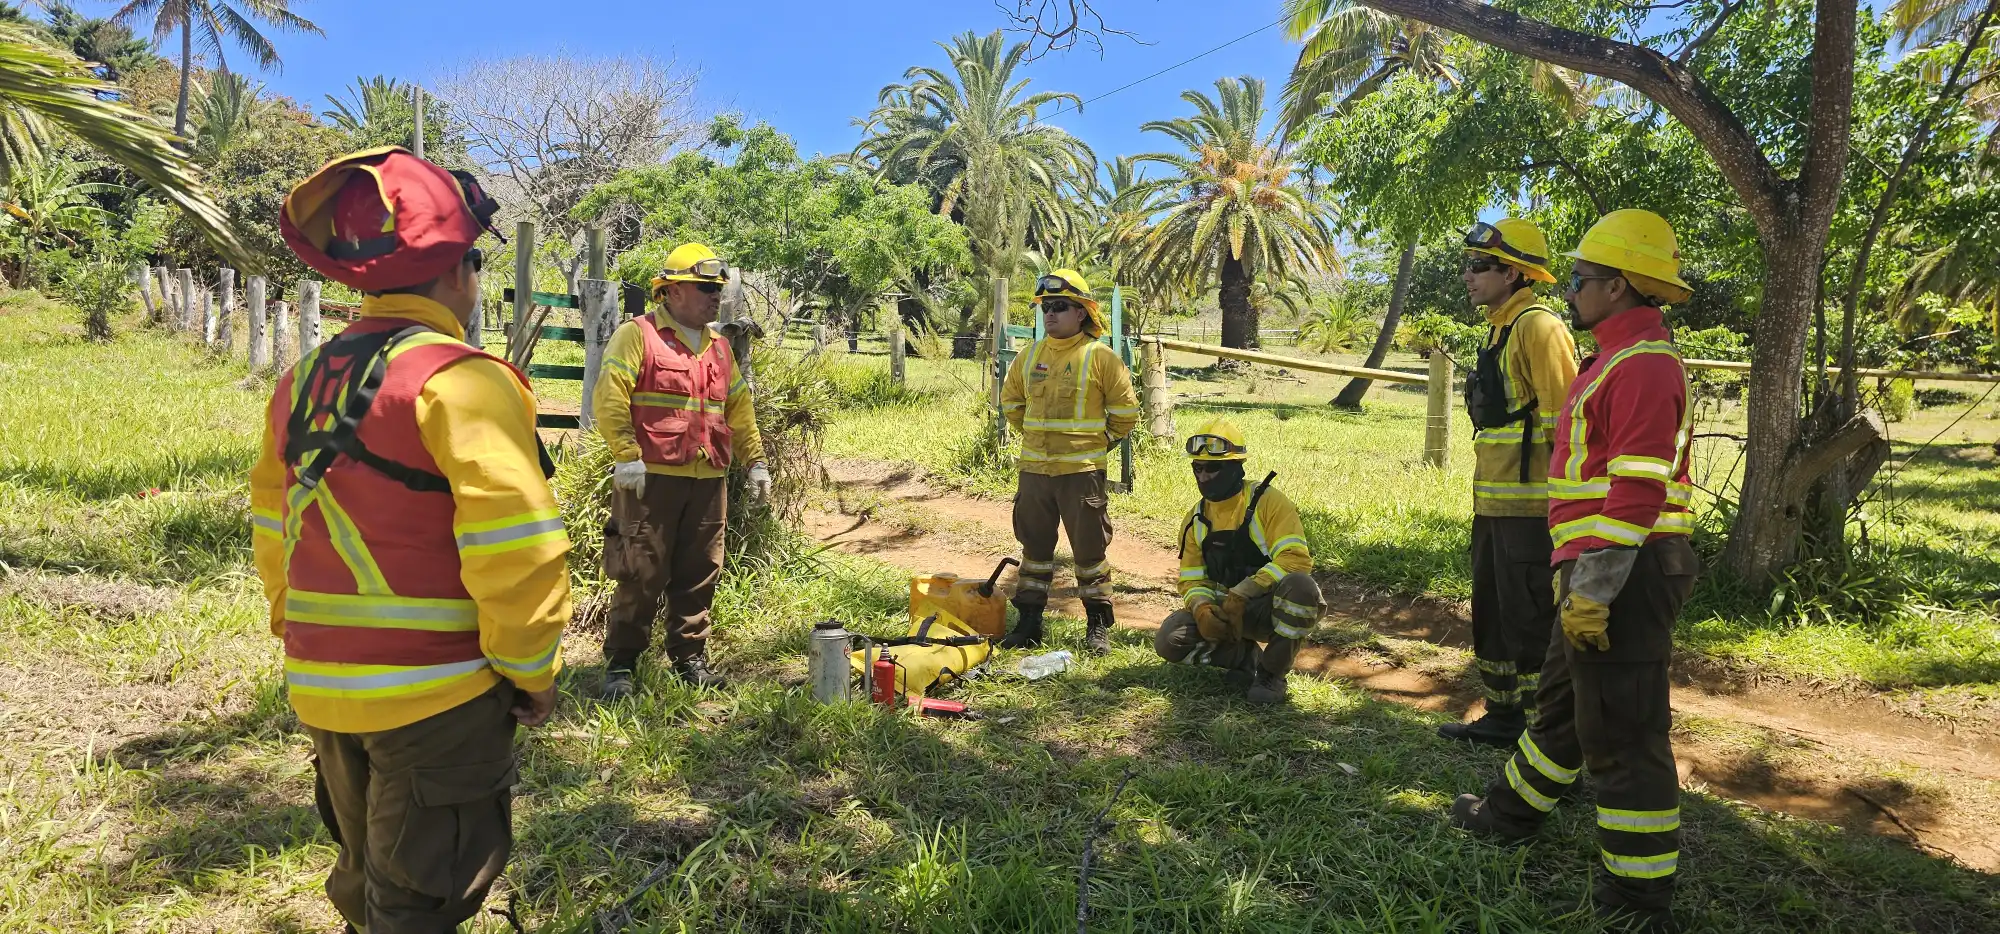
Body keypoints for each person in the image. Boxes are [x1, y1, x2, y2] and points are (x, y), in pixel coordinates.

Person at [254, 146, 571, 933]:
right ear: (459, 270)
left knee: (368, 878)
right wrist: (531, 670)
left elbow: (273, 520)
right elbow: (519, 545)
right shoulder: (462, 380)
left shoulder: (300, 382)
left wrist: (299, 630)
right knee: (420, 901)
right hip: (438, 694)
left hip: (323, 686)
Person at [1450, 209, 1701, 934]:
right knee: (1562, 707)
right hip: (1595, 569)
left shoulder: (1644, 363)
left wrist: (1595, 585)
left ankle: (1639, 899)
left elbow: (1639, 487)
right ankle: (1509, 815)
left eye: (1582, 279)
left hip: (1625, 573)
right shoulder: (1615, 357)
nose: (1570, 290)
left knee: (1624, 733)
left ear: (1619, 285)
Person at [593, 243, 769, 697]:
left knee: (700, 570)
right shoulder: (638, 335)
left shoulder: (720, 348)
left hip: (708, 480)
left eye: (717, 289)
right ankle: (621, 665)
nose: (715, 296)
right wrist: (626, 454)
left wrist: (755, 462)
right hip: (648, 479)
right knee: (639, 569)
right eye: (705, 288)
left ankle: (689, 659)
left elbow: (739, 408)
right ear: (671, 292)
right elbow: (610, 395)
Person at [1440, 218, 1579, 746]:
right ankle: (1503, 716)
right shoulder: (1500, 328)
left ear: (1514, 274)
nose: (1468, 276)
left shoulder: (1539, 327)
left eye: (1480, 266)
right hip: (1494, 506)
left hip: (1532, 511)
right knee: (1493, 615)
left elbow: (1566, 425)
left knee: (1529, 618)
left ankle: (1544, 730)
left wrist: (1566, 509)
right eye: (1470, 265)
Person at [995, 269, 1140, 654]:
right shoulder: (1029, 356)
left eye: (1059, 306)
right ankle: (1029, 624)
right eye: (1045, 307)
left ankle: (1097, 626)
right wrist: (1033, 437)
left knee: (1090, 553)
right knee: (1034, 551)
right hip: (1034, 473)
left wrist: (1098, 443)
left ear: (1081, 312)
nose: (1050, 314)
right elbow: (1011, 402)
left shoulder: (1101, 357)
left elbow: (1126, 413)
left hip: (1081, 474)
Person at [1152, 420, 1322, 704]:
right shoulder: (1195, 519)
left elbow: (1295, 560)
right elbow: (1192, 580)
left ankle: (1271, 674)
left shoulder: (1269, 502)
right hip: (1227, 613)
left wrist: (1246, 590)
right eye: (1197, 468)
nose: (1203, 477)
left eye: (1212, 468)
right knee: (1170, 640)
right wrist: (1202, 609)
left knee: (1302, 588)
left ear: (1236, 467)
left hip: (1268, 608)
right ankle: (1246, 659)